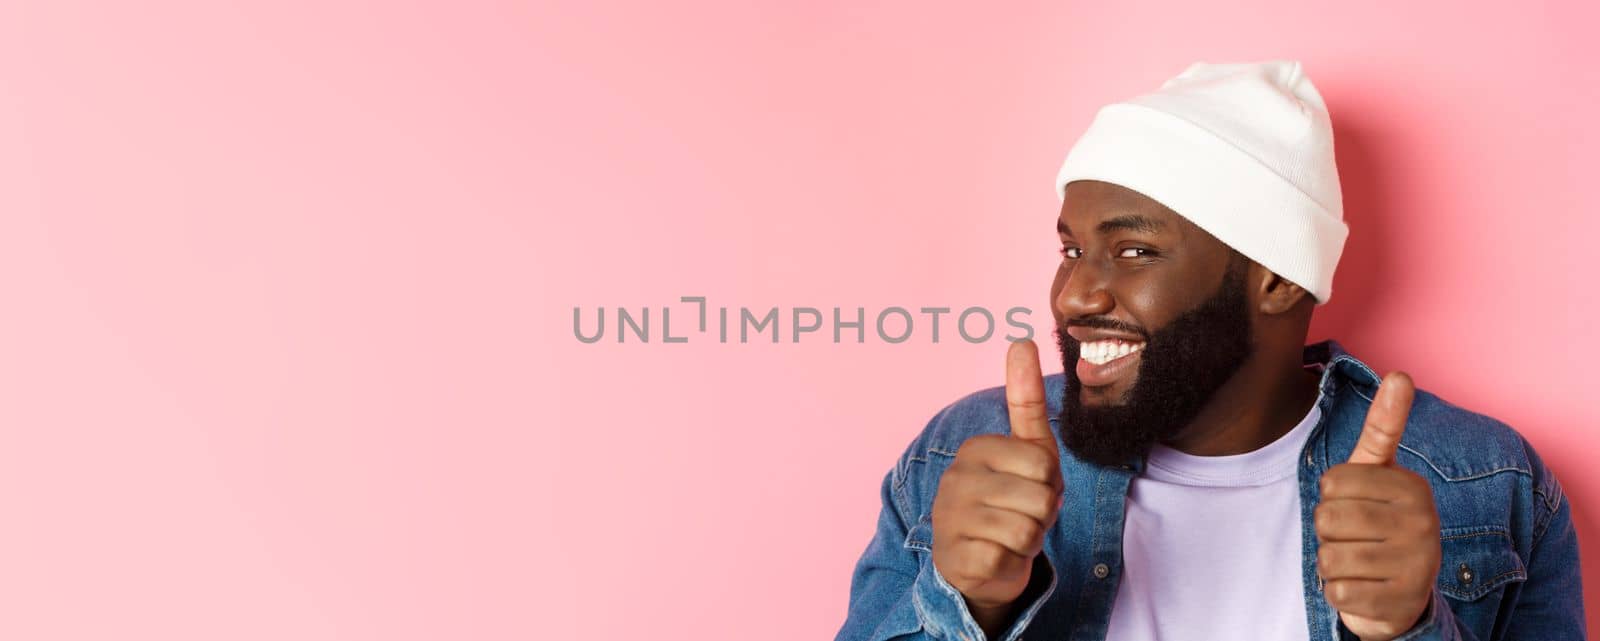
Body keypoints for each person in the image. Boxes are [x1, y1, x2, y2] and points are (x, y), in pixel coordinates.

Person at [835, 61, 1584, 641]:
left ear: (1278, 280)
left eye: (1131, 250)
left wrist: (1405, 628)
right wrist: (964, 604)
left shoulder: (1490, 480)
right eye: (1070, 248)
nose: (1072, 295)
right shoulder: (960, 454)